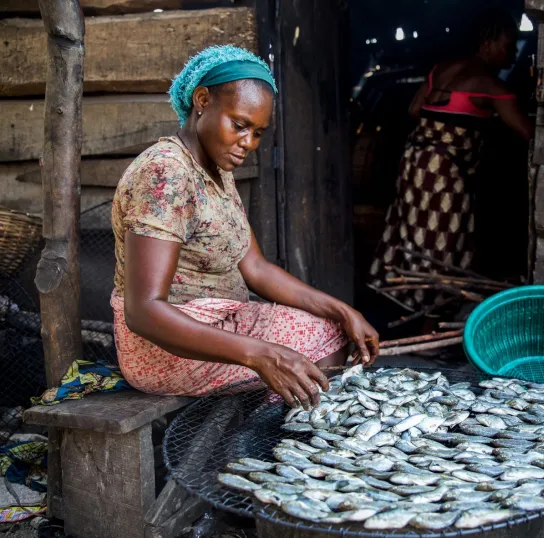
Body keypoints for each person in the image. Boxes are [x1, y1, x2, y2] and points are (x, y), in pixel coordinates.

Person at [110, 45, 379, 409]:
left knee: (331, 328)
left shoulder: (217, 172)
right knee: (317, 342)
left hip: (222, 322)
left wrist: (344, 311)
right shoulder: (166, 174)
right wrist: (261, 355)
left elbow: (255, 268)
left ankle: (280, 428)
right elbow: (144, 312)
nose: (248, 143)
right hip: (164, 349)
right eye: (239, 126)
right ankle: (277, 438)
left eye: (258, 133)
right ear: (202, 100)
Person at [368, 9, 532, 311]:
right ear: (487, 43)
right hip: (444, 172)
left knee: (410, 232)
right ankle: (429, 314)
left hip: (414, 162)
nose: (511, 54)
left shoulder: (440, 70)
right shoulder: (492, 87)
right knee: (443, 241)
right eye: (507, 45)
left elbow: (415, 110)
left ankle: (400, 298)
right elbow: (527, 132)